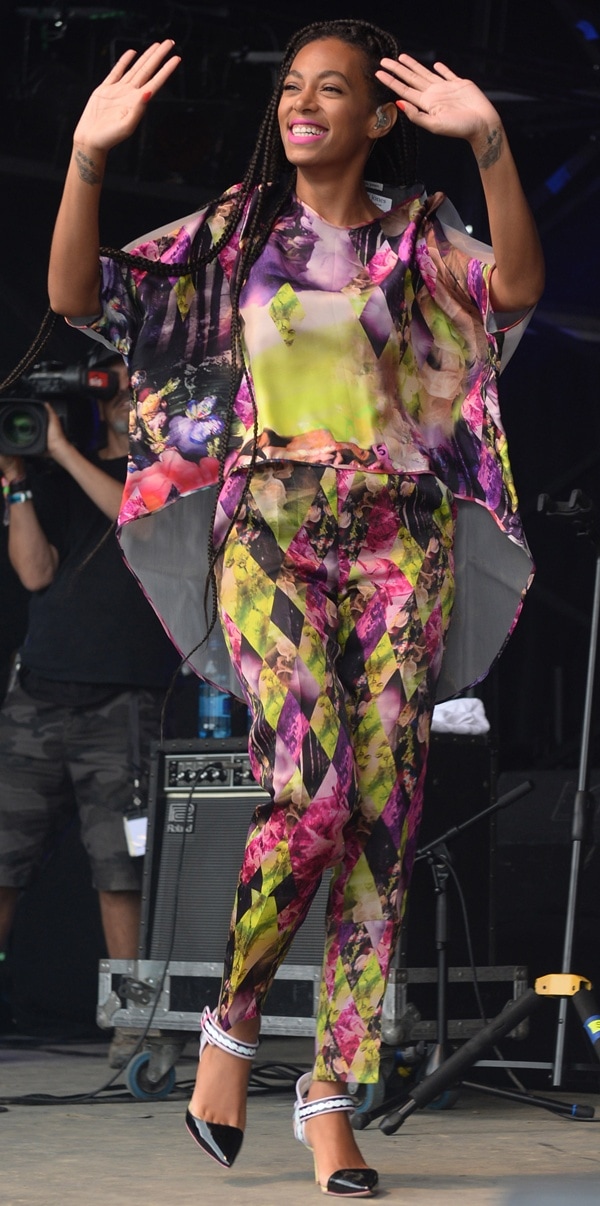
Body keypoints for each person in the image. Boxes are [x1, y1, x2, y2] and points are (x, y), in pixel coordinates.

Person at [46, 19, 544, 1197]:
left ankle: (329, 1097)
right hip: (272, 528)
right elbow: (78, 296)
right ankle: (232, 1022)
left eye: (333, 90)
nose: (303, 104)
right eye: (291, 90)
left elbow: (516, 289)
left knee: (383, 819)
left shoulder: (418, 236)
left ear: (379, 116)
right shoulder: (234, 235)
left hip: (403, 539)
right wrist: (87, 155)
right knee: (311, 797)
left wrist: (490, 141)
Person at [0, 350, 180, 1060]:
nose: (128, 400)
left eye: (137, 389)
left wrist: (62, 451)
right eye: (118, 390)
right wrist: (19, 483)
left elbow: (135, 519)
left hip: (124, 703)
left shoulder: (167, 477)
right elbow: (33, 573)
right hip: (39, 696)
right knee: (2, 859)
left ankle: (134, 1023)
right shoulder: (51, 480)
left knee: (120, 868)